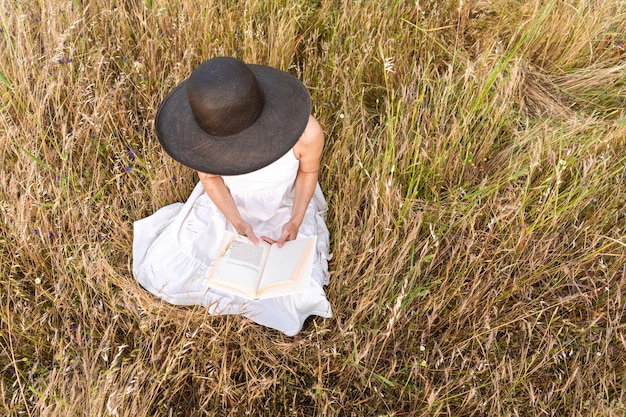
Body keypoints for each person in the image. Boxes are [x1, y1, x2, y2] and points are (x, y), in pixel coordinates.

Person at [132, 56, 332, 336]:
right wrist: (238, 223)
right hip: (228, 205)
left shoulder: (306, 133)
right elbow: (211, 178)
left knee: (294, 298)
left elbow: (308, 174)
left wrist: (296, 220)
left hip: (284, 206)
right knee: (163, 271)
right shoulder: (203, 140)